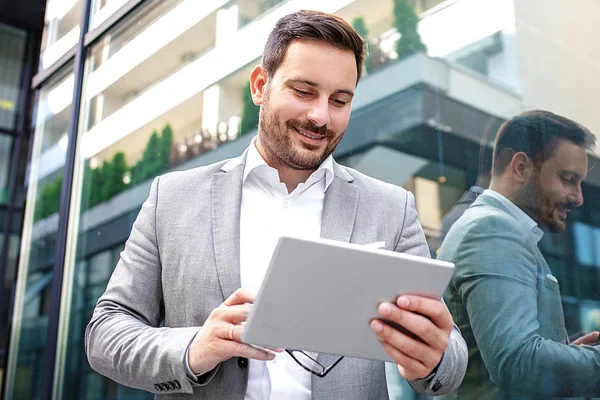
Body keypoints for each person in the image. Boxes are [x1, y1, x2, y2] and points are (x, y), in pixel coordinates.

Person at [85, 10, 467, 399]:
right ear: (259, 85)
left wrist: (433, 358)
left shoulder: (391, 208)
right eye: (303, 92)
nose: (320, 116)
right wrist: (193, 348)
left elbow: (448, 352)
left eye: (339, 100)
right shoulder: (173, 198)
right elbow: (107, 332)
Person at [438, 110, 600, 399]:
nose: (578, 197)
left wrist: (567, 356)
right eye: (568, 179)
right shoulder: (492, 230)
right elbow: (518, 363)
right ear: (521, 167)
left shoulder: (496, 228)